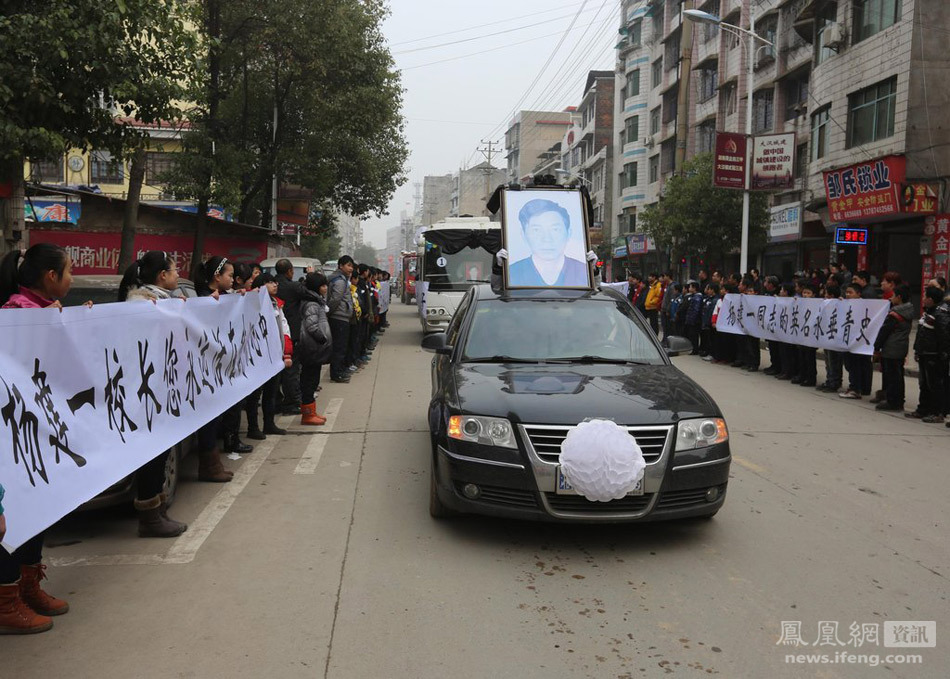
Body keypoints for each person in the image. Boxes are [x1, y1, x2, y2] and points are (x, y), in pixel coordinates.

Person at [0, 244, 74, 634]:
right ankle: (6, 600)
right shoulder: (14, 314)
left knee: (39, 510)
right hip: (13, 440)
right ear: (50, 277)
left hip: (41, 434)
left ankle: (28, 585)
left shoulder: (45, 313)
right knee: (12, 517)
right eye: (69, 271)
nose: (72, 279)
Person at [118, 251, 188, 538]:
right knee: (152, 453)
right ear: (162, 275)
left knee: (159, 452)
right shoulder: (142, 304)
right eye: (174, 271)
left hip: (160, 387)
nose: (177, 276)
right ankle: (149, 516)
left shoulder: (162, 301)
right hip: (145, 391)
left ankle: (157, 512)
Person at [192, 256, 237, 481]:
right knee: (208, 416)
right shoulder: (199, 299)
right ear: (217, 276)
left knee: (216, 414)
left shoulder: (227, 298)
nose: (233, 279)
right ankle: (209, 466)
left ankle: (212, 463)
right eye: (229, 275)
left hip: (218, 368)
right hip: (203, 370)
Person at [247, 273, 294, 437]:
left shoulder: (277, 305)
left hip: (274, 356)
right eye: (270, 282)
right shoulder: (251, 303)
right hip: (257, 357)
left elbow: (284, 330)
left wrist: (286, 353)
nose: (275, 284)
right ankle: (253, 428)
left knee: (271, 392)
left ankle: (269, 424)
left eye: (275, 281)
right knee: (254, 395)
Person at [508, 199, 589, 287]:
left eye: (555, 229)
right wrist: (498, 269)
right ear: (523, 235)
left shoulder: (583, 271)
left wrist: (594, 272)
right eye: (536, 230)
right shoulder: (512, 272)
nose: (547, 239)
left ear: (569, 233)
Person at [907, 286, 950, 423]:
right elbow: (921, 334)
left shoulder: (940, 315)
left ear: (931, 299)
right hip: (924, 352)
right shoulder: (928, 313)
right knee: (924, 384)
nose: (923, 299)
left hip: (934, 354)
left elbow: (944, 337)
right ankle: (923, 409)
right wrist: (917, 350)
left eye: (925, 297)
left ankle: (937, 412)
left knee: (935, 384)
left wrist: (943, 354)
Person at [298, 272, 334, 426]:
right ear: (316, 287)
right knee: (309, 381)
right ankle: (307, 415)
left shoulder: (316, 300)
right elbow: (311, 326)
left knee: (312, 380)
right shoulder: (312, 304)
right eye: (323, 285)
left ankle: (311, 412)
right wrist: (322, 338)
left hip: (315, 347)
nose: (326, 288)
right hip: (312, 347)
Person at [873, 284, 913, 412]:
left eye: (893, 296)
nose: (891, 298)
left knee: (891, 377)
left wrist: (876, 347)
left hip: (891, 348)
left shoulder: (895, 314)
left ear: (899, 297)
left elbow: (884, 332)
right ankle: (899, 400)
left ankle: (892, 401)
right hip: (901, 347)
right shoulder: (909, 310)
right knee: (898, 376)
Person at [275, 259, 307, 414]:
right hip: (290, 334)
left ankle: (277, 402)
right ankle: (290, 403)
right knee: (291, 370)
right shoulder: (294, 287)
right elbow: (309, 294)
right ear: (289, 271)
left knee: (277, 371)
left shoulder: (271, 286)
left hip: (274, 334)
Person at [327, 255, 355, 383]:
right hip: (339, 317)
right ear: (340, 266)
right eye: (348, 265)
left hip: (341, 316)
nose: (351, 269)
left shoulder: (342, 279)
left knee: (341, 346)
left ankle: (339, 370)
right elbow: (335, 300)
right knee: (339, 347)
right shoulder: (340, 281)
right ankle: (336, 373)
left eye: (352, 266)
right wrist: (330, 313)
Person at [817, 284, 844, 393]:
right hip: (827, 335)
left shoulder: (841, 304)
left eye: (826, 293)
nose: (824, 295)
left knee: (835, 361)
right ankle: (829, 380)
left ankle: (835, 382)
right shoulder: (824, 304)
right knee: (828, 360)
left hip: (835, 336)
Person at [796, 284, 818, 386]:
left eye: (808, 293)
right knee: (801, 356)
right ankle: (802, 375)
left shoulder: (817, 304)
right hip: (801, 333)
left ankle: (811, 378)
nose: (805, 295)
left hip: (811, 335)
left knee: (810, 357)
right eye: (804, 292)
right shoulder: (800, 303)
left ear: (813, 295)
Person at [682, 281, 703, 354]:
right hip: (691, 319)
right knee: (691, 335)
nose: (689, 288)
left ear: (694, 288)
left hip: (694, 320)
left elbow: (695, 310)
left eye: (690, 287)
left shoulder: (697, 297)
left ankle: (694, 349)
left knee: (694, 335)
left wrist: (692, 319)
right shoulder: (693, 296)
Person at [700, 282, 719, 360]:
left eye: (709, 289)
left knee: (712, 339)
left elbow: (712, 312)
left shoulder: (715, 300)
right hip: (706, 322)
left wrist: (710, 322)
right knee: (708, 339)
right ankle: (708, 352)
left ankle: (712, 354)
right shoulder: (708, 299)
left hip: (711, 322)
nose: (708, 291)